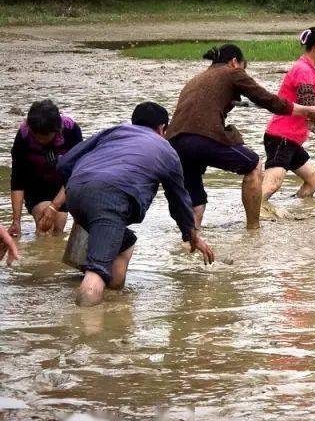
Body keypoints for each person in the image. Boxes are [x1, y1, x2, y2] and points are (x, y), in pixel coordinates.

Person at [57, 102, 214, 307]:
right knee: (96, 273)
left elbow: (65, 163)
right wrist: (191, 235)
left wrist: (80, 192)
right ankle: (86, 334)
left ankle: (114, 300)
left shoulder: (114, 131)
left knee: (126, 244)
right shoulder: (165, 150)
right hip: (110, 199)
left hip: (76, 192)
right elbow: (179, 199)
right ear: (162, 128)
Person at [166, 44, 315, 230]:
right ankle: (253, 230)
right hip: (202, 136)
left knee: (196, 201)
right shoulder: (232, 72)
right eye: (243, 67)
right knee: (254, 165)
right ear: (234, 62)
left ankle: (189, 243)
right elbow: (268, 100)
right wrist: (304, 110)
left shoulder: (196, 79)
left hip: (173, 142)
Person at [261, 27, 315, 204]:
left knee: (313, 179)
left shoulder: (307, 69)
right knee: (273, 184)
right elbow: (310, 109)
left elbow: (310, 110)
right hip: (282, 137)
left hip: (292, 140)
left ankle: (294, 210)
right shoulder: (303, 70)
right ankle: (255, 214)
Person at [9, 99, 83, 236]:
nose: (40, 141)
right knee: (45, 223)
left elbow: (77, 174)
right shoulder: (23, 136)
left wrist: (54, 206)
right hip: (36, 184)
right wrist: (16, 221)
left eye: (45, 137)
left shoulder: (71, 130)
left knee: (58, 229)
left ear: (57, 130)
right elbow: (17, 180)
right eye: (36, 137)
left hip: (64, 184)